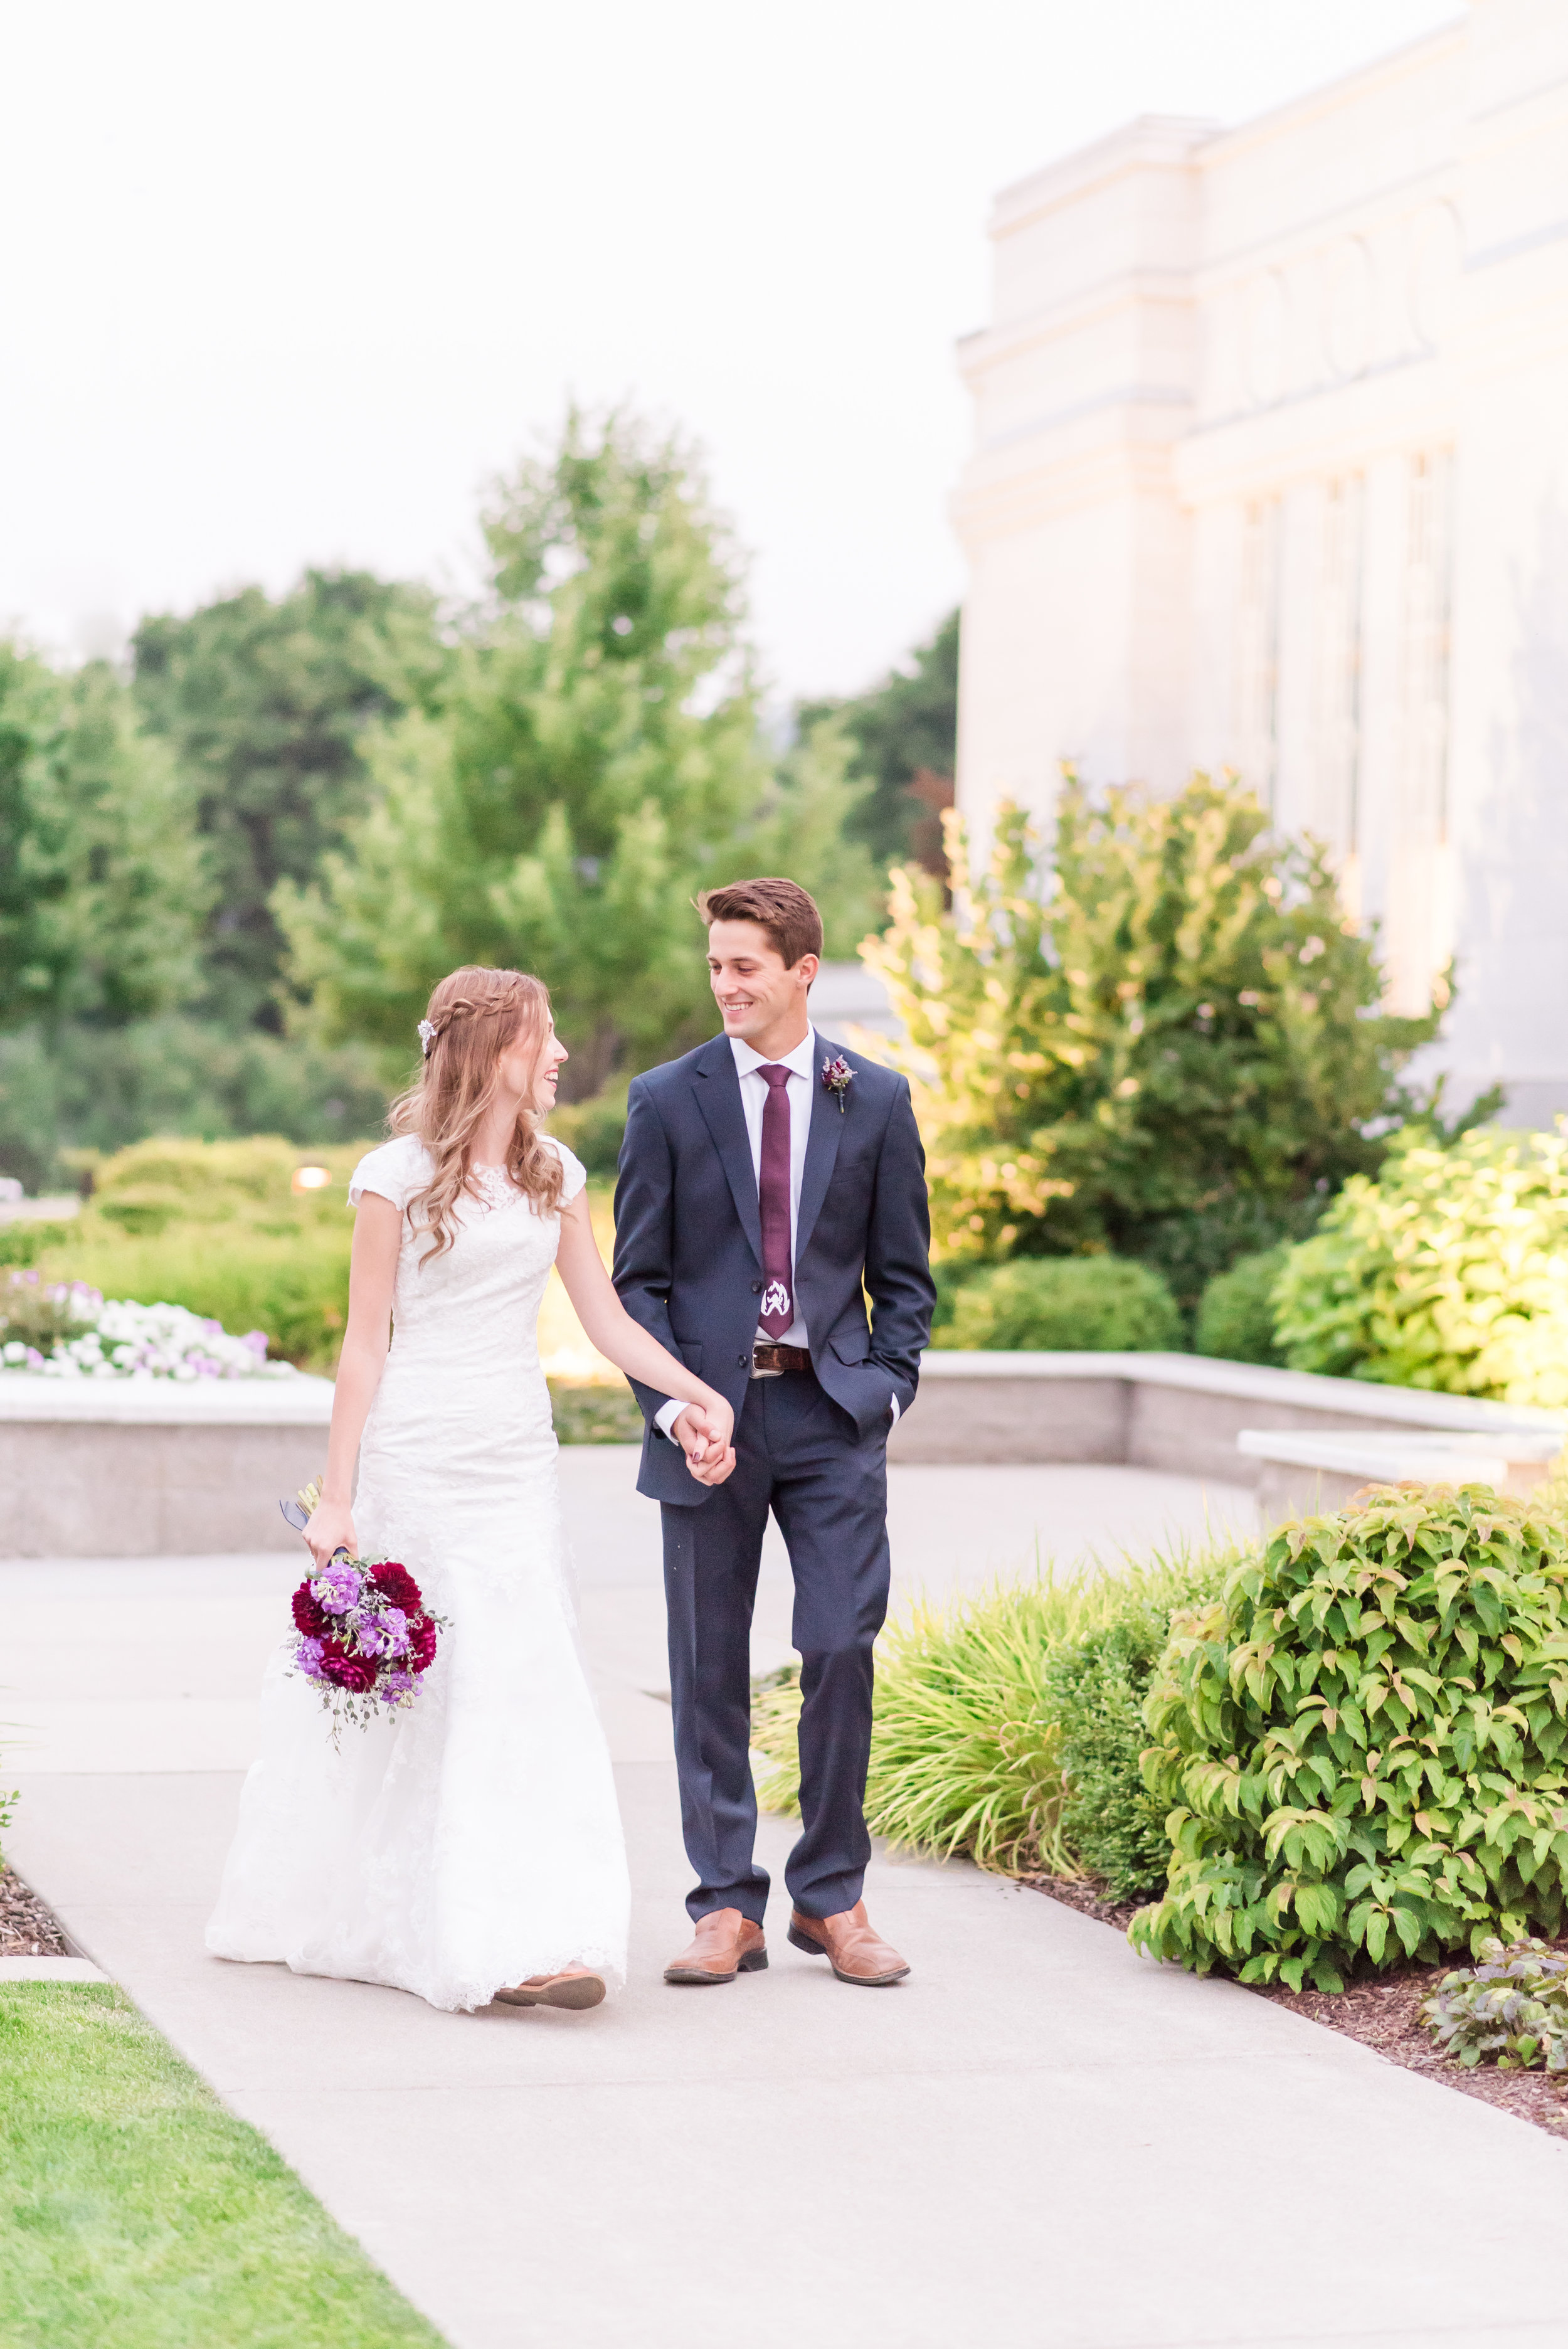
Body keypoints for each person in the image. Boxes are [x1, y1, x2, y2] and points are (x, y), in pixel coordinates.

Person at [206, 965, 736, 2013]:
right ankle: (455, 1927)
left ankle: (541, 1927)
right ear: (489, 1050)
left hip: (514, 1462)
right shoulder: (391, 1178)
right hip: (418, 1456)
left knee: (527, 1677)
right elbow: (366, 1345)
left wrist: (694, 1391)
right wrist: (338, 1499)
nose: (560, 1057)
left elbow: (608, 1320)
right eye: (542, 1038)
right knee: (439, 1685)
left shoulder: (558, 1175)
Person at [613, 878, 936, 1989]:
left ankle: (832, 1897)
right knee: (706, 1662)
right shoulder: (666, 1099)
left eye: (745, 964)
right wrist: (675, 1403)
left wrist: (885, 1389)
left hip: (829, 1413)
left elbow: (907, 1281)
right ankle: (723, 1905)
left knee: (841, 1643)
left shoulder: (877, 1099)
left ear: (804, 969)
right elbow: (636, 1285)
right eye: (714, 964)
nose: (726, 984)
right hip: (705, 1417)